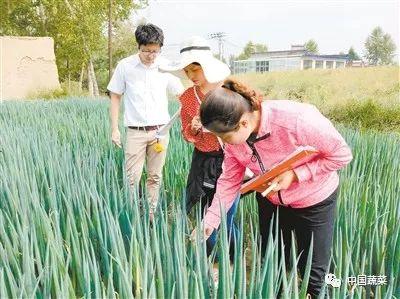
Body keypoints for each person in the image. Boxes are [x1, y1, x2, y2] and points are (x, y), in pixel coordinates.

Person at [193, 79, 353, 298]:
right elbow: (229, 180)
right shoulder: (234, 142)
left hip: (314, 200)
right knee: (273, 263)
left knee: (314, 273)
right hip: (271, 200)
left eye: (225, 136)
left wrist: (296, 175)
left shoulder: (297, 120)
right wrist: (210, 220)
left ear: (243, 123)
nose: (223, 143)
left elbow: (342, 155)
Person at [161, 36, 240, 263]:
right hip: (203, 161)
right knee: (207, 210)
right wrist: (194, 128)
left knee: (227, 214)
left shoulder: (227, 91)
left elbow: (242, 127)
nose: (192, 76)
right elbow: (186, 134)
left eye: (196, 69)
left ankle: (230, 261)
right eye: (187, 71)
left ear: (207, 67)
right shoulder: (187, 97)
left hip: (230, 160)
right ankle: (209, 260)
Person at [107, 23, 184, 218]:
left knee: (155, 176)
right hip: (135, 132)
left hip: (160, 133)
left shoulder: (165, 67)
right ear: (138, 47)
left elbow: (182, 95)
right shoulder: (125, 66)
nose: (150, 55)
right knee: (132, 178)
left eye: (155, 51)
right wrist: (114, 129)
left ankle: (151, 215)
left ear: (160, 48)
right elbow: (115, 96)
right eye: (146, 51)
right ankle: (132, 215)